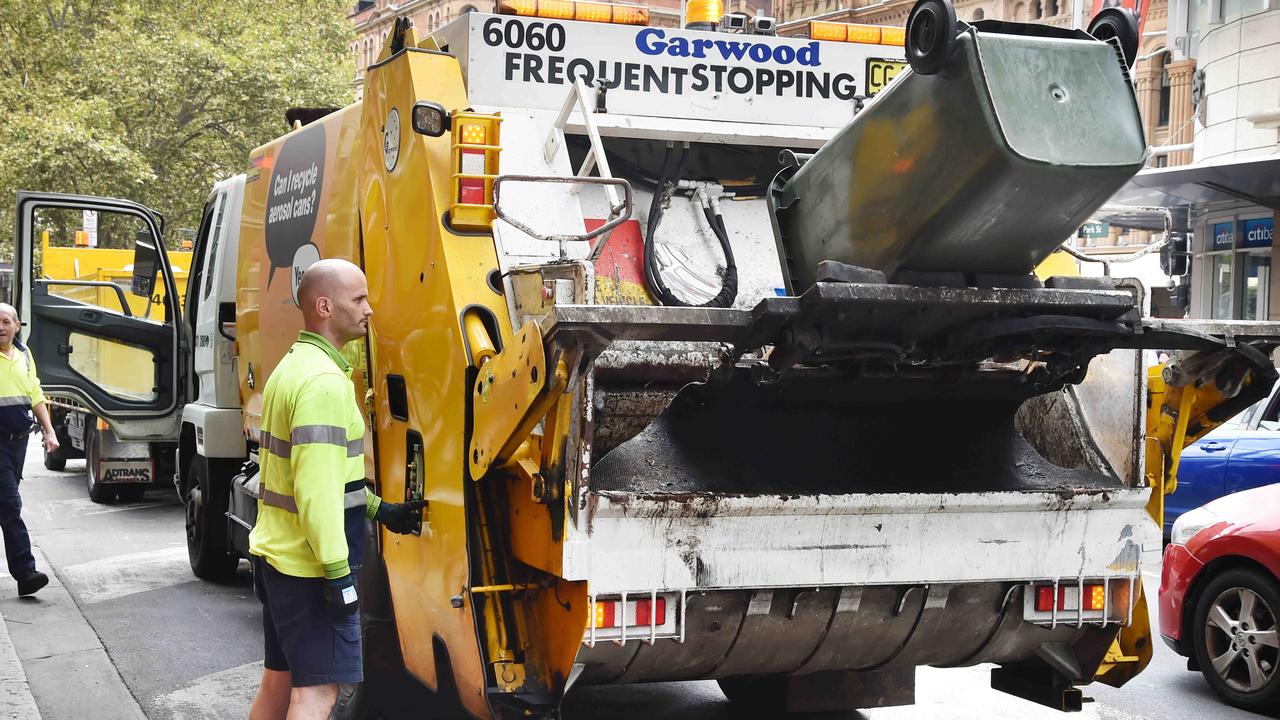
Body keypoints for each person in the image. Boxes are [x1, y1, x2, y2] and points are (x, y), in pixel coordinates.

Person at [248, 259, 425, 720]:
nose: (369, 309)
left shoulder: (292, 365)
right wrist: (337, 575)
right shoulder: (325, 383)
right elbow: (315, 494)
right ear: (325, 306)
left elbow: (319, 478)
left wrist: (378, 509)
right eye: (359, 299)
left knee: (280, 683)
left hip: (278, 558)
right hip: (309, 569)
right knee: (319, 693)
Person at [0, 303, 58, 597]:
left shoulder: (24, 354)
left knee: (5, 505)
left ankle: (24, 573)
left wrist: (49, 430)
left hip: (18, 441)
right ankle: (26, 573)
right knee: (10, 505)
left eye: (6, 321)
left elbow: (35, 393)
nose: (1, 326)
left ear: (17, 326)